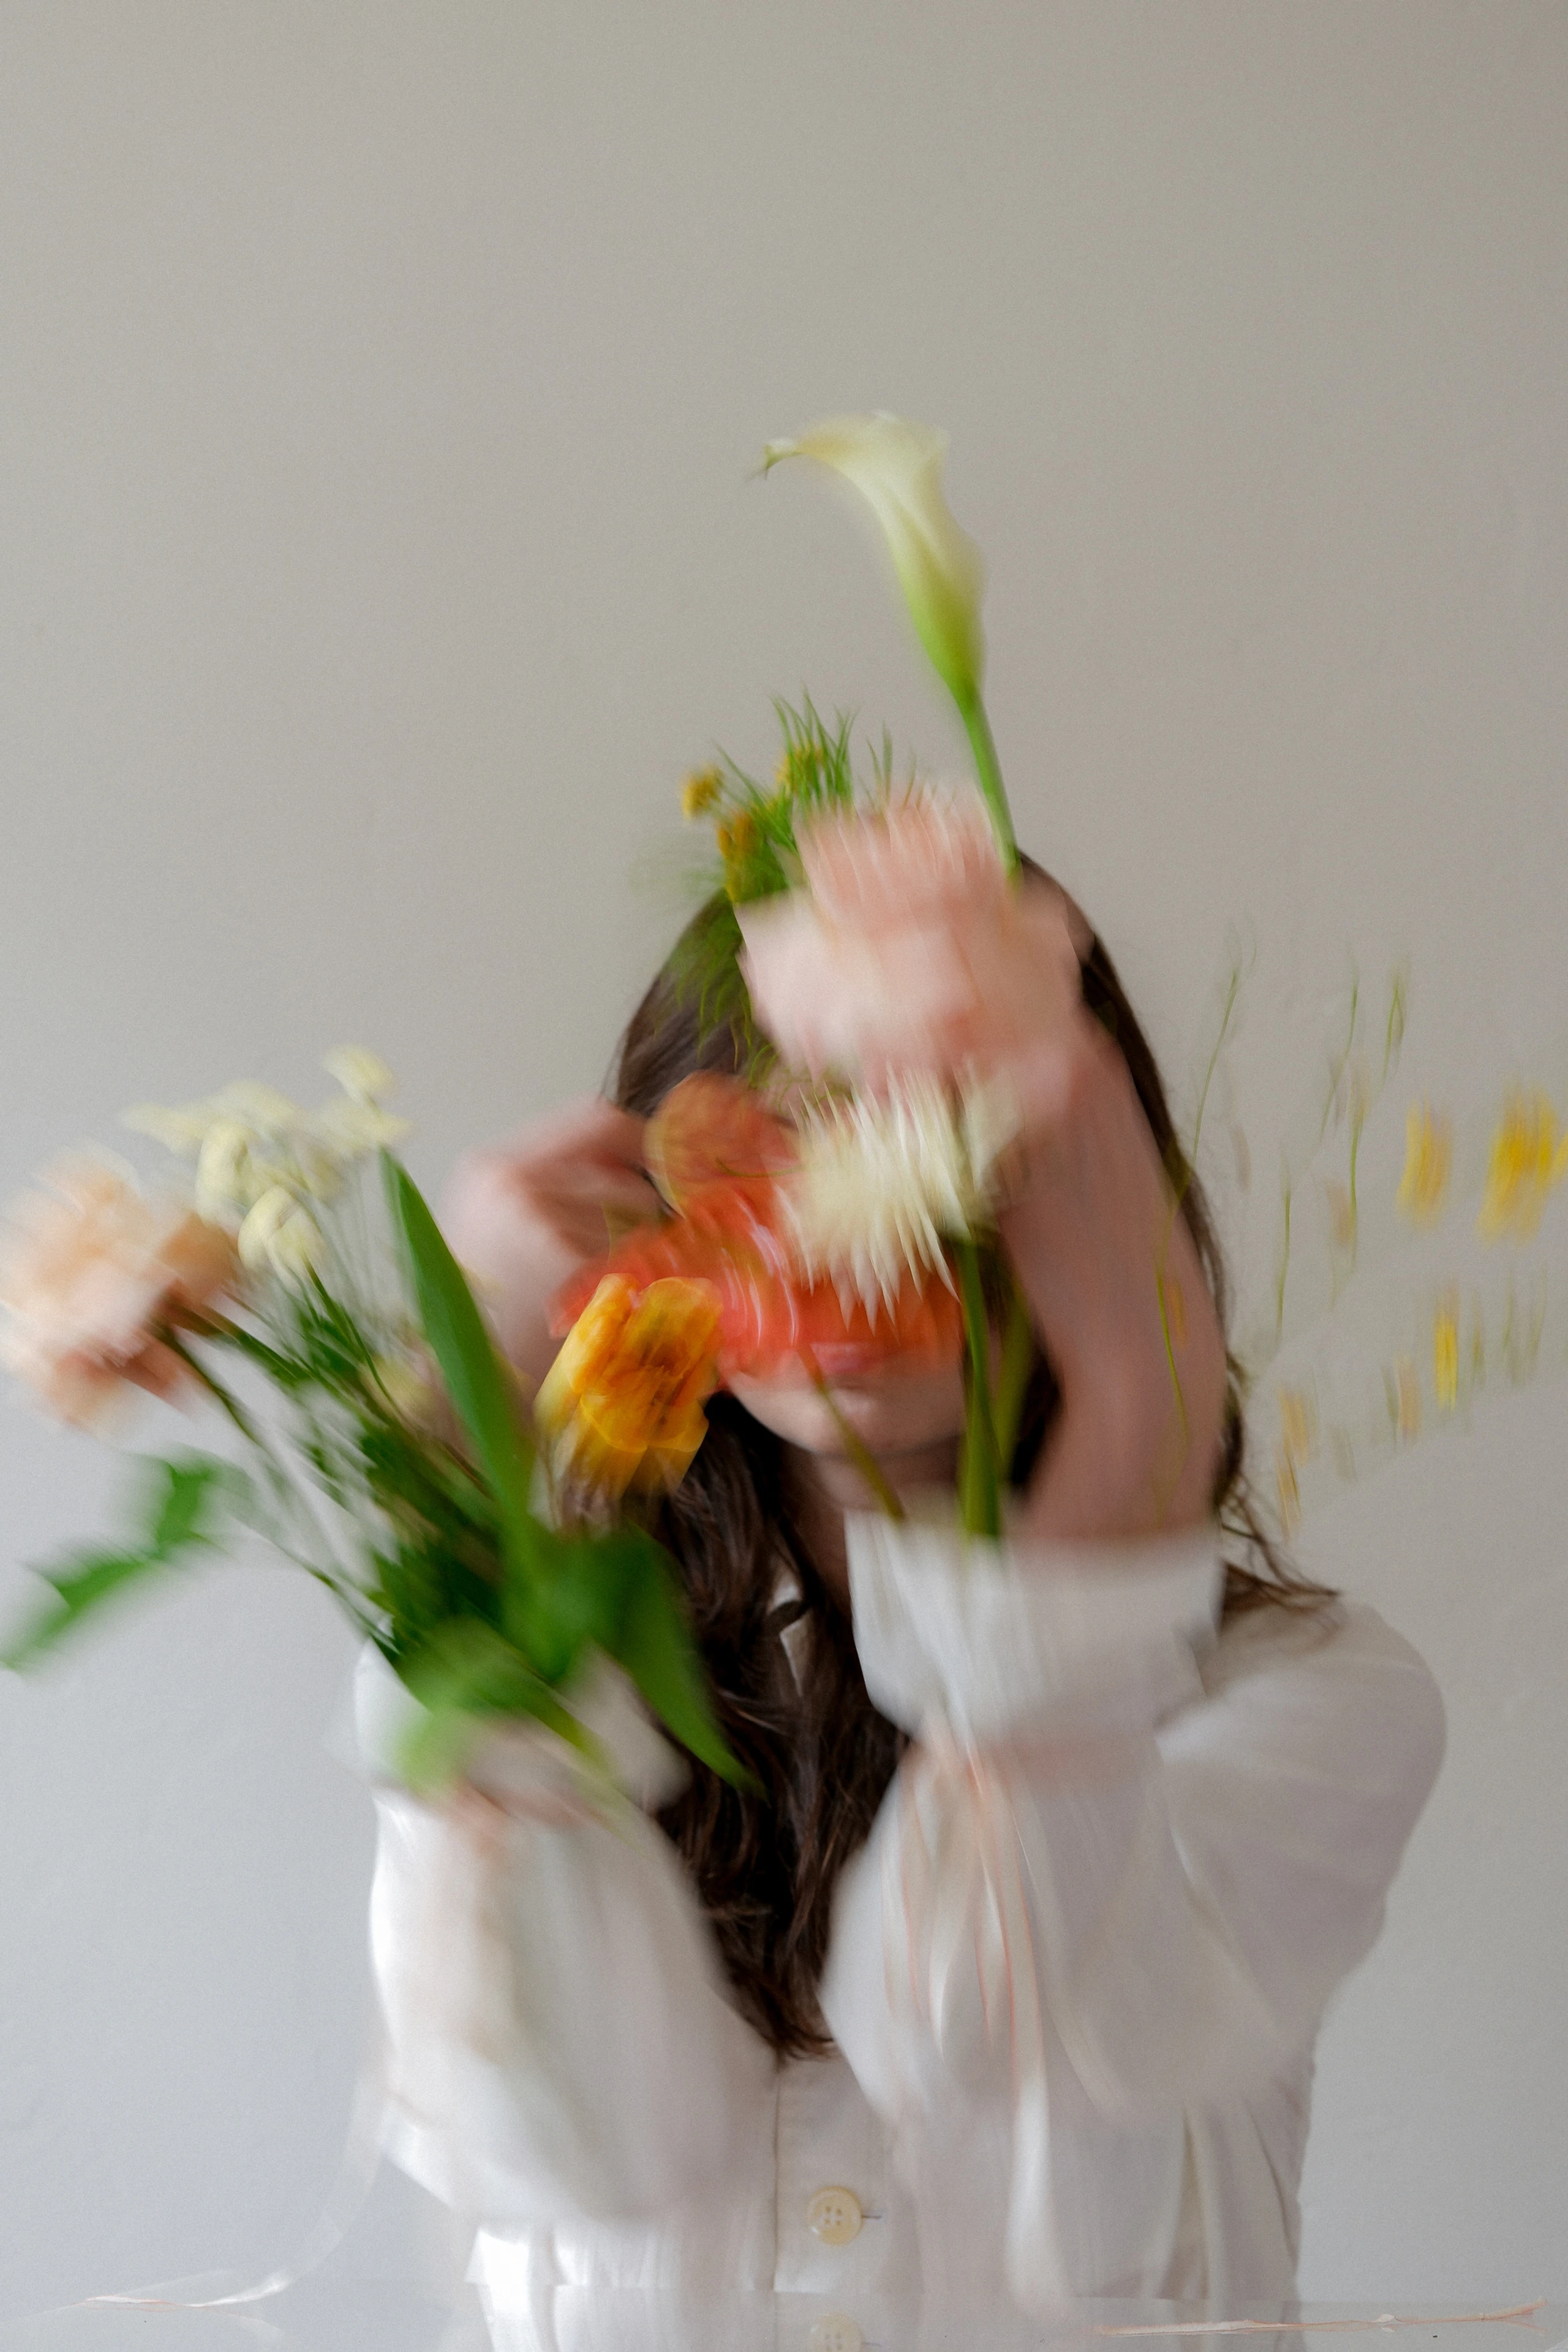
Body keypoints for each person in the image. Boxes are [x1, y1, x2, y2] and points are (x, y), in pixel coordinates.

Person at [357, 849, 1444, 2331]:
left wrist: (1137, 1406)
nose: (841, 1242)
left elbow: (980, 2020)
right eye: (767, 1166)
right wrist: (461, 1455)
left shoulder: (1304, 1695)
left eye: (929, 1156)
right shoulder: (558, 1688)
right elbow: (544, 2129)